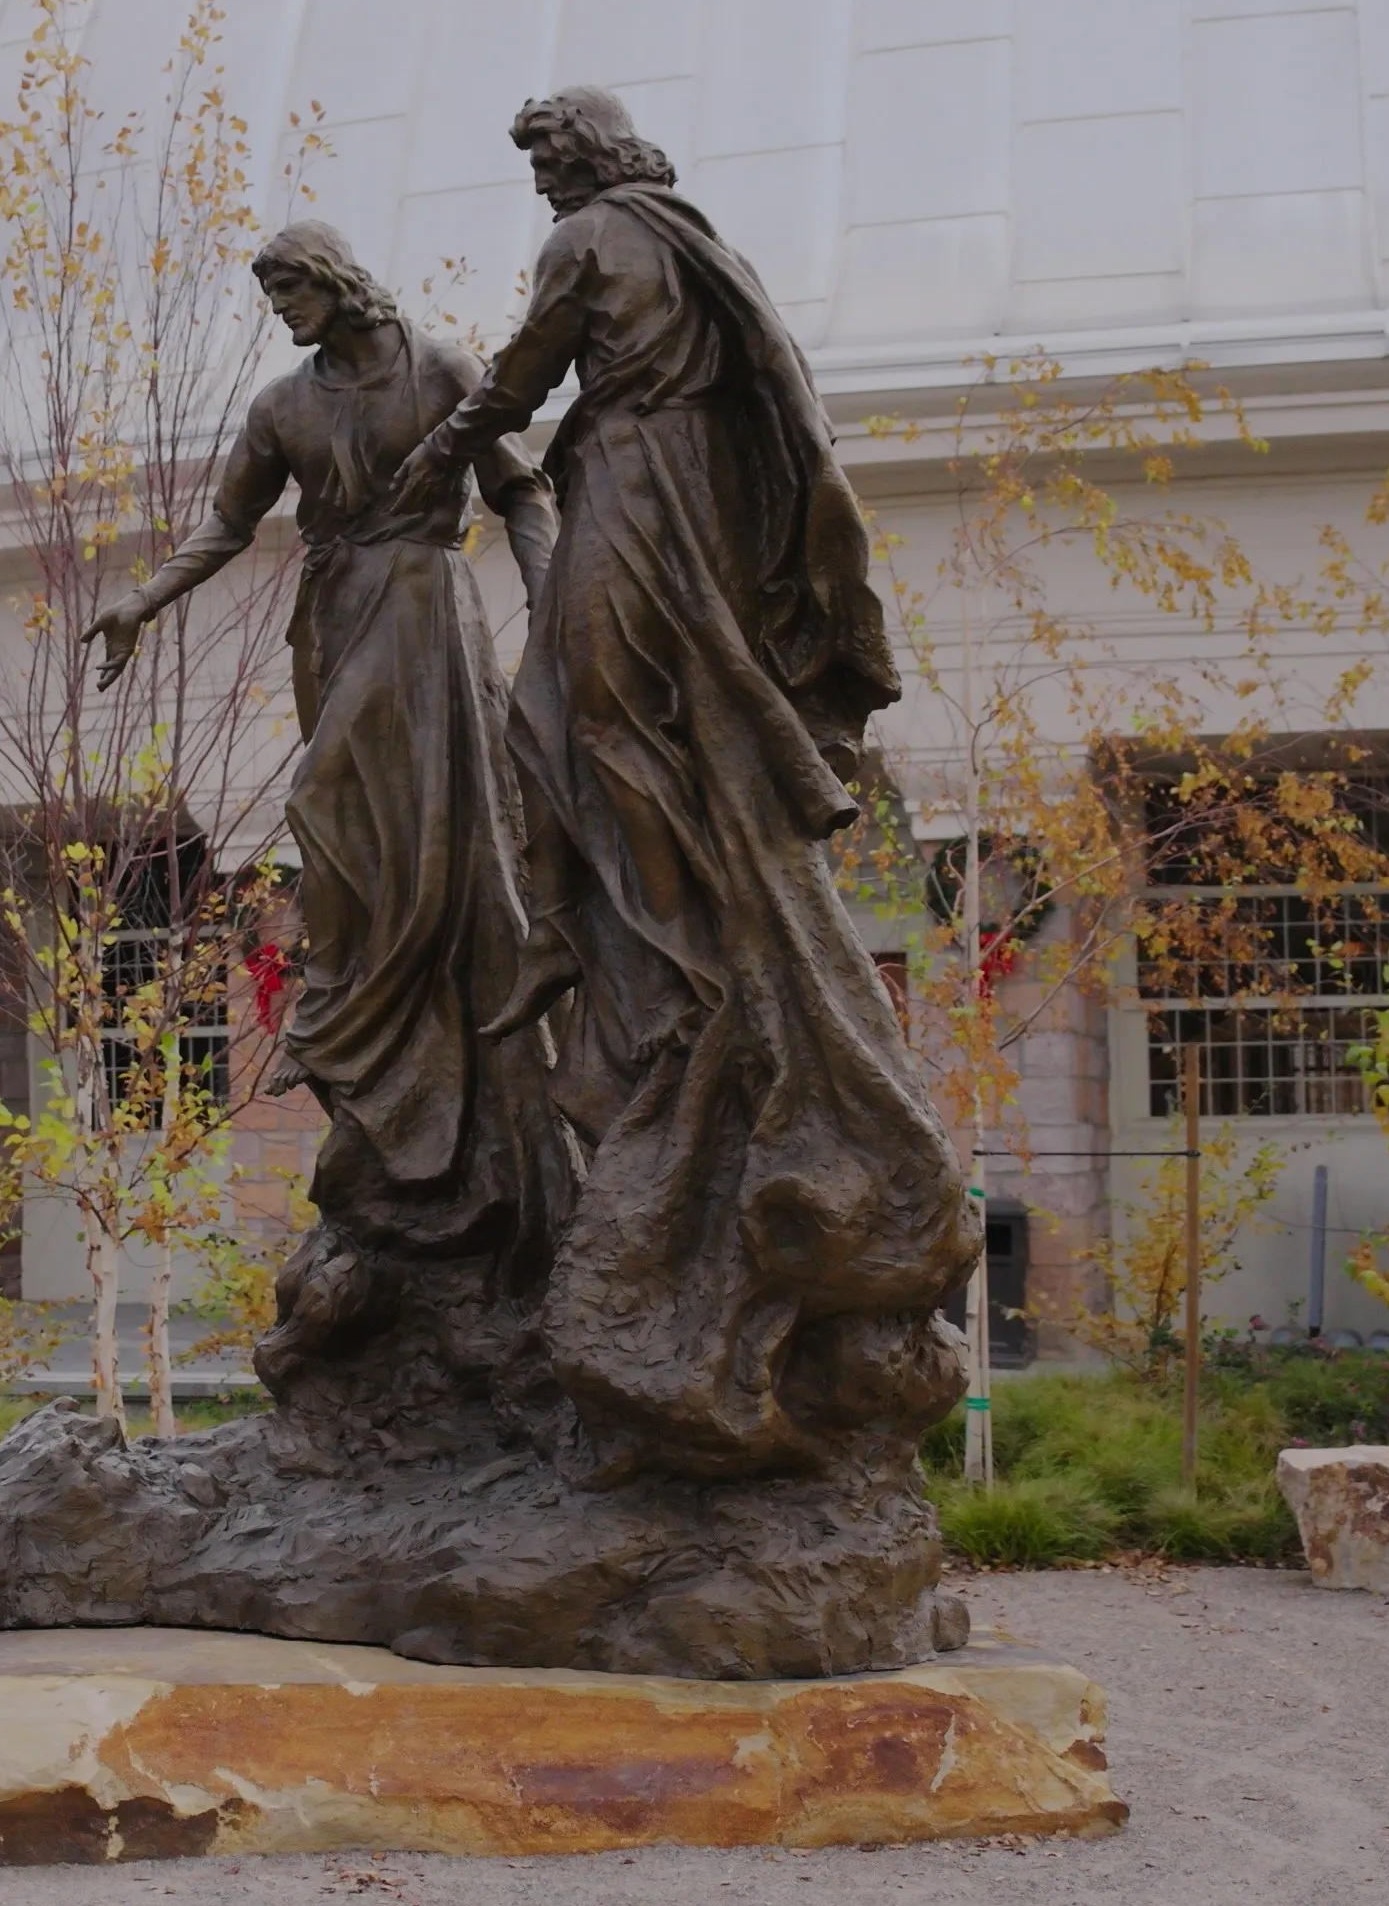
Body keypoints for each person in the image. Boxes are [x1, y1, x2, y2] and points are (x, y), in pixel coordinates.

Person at [368, 87, 973, 1475]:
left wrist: (440, 449)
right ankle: (657, 932)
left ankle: (673, 944)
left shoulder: (594, 237)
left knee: (582, 706)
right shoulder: (686, 235)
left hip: (643, 481)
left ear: (588, 151)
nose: (540, 176)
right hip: (674, 482)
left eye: (547, 154)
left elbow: (522, 375)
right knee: (603, 712)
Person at [85, 220, 573, 1265]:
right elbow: (226, 523)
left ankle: (395, 1031)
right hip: (338, 613)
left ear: (336, 282)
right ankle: (361, 1020)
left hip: (425, 608)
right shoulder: (283, 407)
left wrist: (555, 605)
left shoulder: (441, 370)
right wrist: (143, 600)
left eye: (291, 293)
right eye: (272, 300)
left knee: (406, 821)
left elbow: (521, 489)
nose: (283, 313)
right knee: (346, 825)